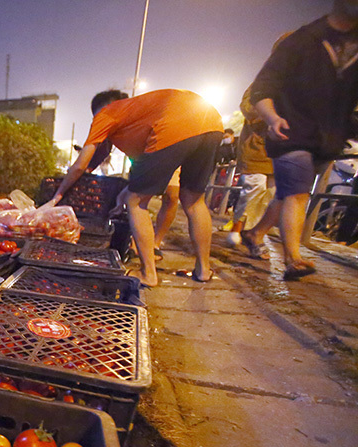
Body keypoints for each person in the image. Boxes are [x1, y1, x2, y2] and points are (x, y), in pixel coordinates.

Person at [51, 88, 223, 285]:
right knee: (193, 202)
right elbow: (147, 170)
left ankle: (148, 274)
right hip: (211, 123)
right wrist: (125, 191)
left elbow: (80, 165)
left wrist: (57, 196)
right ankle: (203, 270)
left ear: (99, 109)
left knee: (135, 202)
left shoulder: (106, 113)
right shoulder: (138, 113)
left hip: (174, 126)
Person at [240, 0, 358, 280]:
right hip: (290, 132)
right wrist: (271, 118)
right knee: (297, 195)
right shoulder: (302, 40)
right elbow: (260, 90)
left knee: (288, 193)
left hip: (327, 138)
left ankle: (255, 233)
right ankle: (293, 258)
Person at [228, 86, 276, 252]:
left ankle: (254, 233)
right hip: (255, 149)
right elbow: (248, 110)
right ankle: (237, 228)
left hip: (279, 151)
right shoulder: (262, 84)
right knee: (254, 188)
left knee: (272, 194)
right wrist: (275, 111)